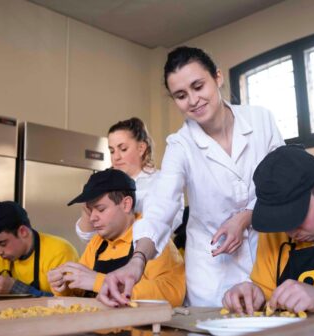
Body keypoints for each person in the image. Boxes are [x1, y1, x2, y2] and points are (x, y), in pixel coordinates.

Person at [98, 46, 284, 307]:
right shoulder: (180, 145)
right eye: (181, 95)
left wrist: (246, 216)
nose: (193, 100)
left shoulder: (260, 120)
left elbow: (284, 183)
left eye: (198, 86)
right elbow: (161, 206)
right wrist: (137, 261)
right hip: (213, 270)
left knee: (276, 335)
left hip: (268, 254)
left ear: (217, 77)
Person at [223, 145, 314, 313]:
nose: (290, 232)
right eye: (281, 221)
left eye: (296, 217)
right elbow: (267, 294)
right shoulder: (277, 230)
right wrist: (254, 294)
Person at [48, 169, 185, 307]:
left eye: (100, 209)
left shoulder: (151, 239)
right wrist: (64, 286)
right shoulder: (97, 243)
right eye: (90, 210)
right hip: (100, 325)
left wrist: (101, 282)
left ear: (126, 204)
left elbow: (172, 293)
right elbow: (82, 290)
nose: (92, 218)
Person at [75, 117, 184, 243]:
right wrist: (86, 210)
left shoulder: (163, 181)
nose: (116, 157)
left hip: (150, 257)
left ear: (141, 148)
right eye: (112, 151)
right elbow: (87, 237)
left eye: (123, 149)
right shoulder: (104, 183)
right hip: (111, 255)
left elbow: (168, 225)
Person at [0, 201, 79, 296]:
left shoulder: (59, 251)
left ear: (23, 232)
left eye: (2, 244)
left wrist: (16, 288)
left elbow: (69, 304)